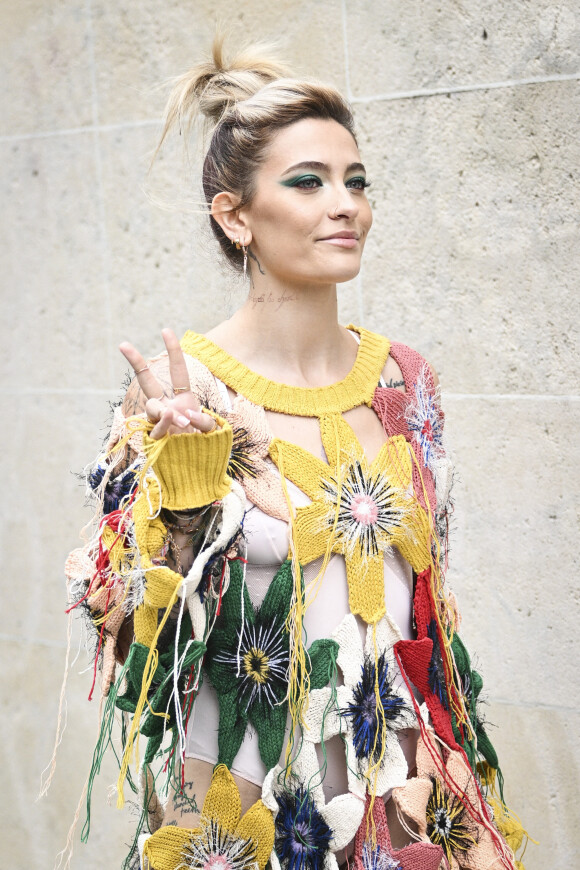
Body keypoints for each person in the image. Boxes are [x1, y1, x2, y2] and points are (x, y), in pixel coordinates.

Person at [64, 36, 528, 870]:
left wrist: (448, 776)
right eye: (307, 182)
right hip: (248, 811)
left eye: (356, 181)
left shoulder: (403, 377)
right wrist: (184, 498)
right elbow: (135, 639)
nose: (343, 203)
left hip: (406, 801)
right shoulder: (184, 388)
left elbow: (426, 608)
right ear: (234, 214)